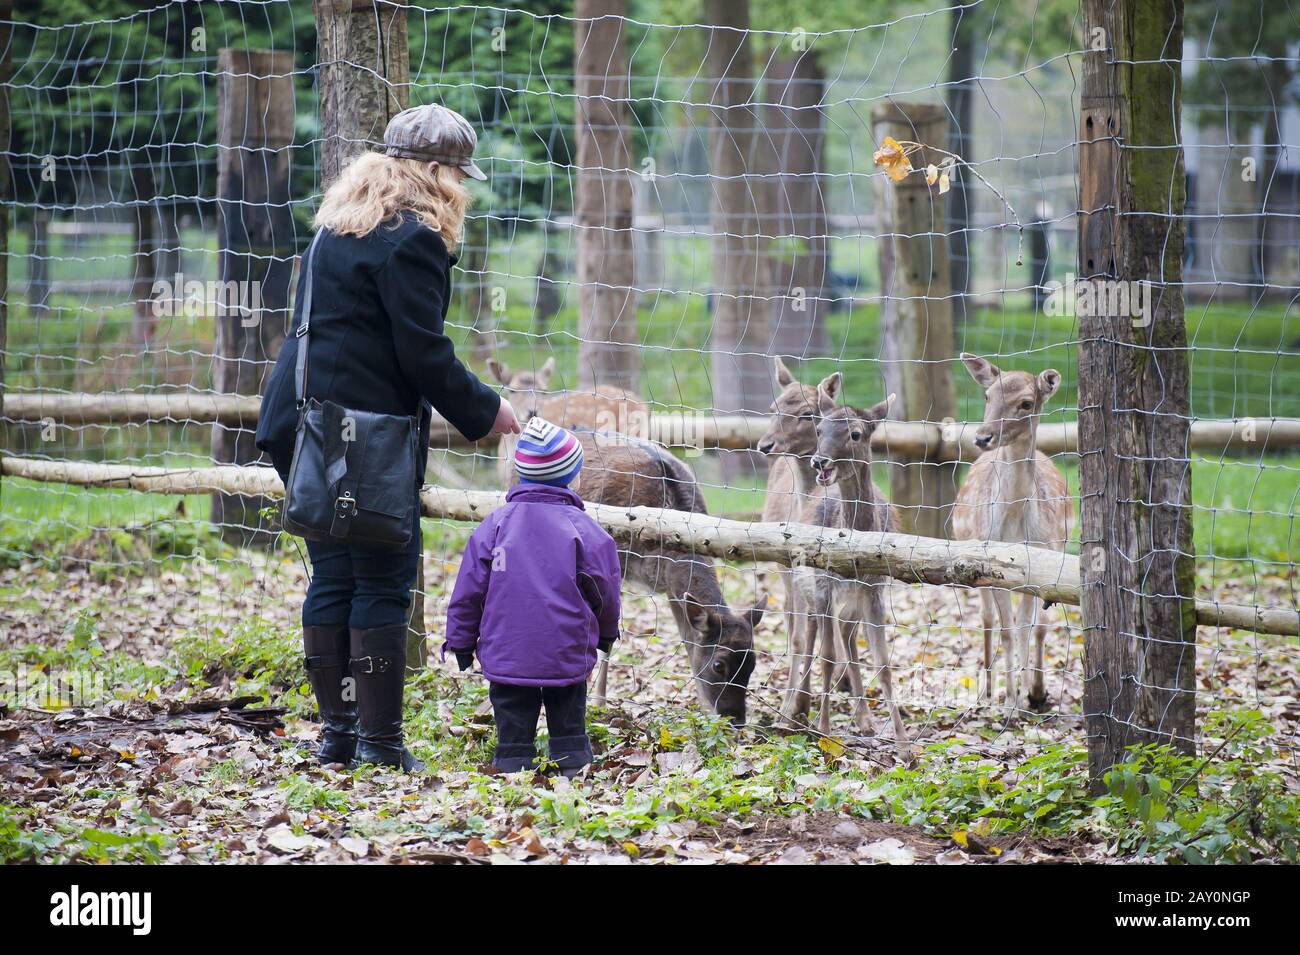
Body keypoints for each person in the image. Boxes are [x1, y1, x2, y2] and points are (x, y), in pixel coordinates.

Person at [255, 104, 520, 771]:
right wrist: (490, 412)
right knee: (381, 575)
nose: (463, 188)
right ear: (435, 172)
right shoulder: (414, 239)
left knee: (333, 574)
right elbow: (423, 355)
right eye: (459, 174)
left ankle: (338, 737)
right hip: (357, 433)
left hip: (300, 418)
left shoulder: (339, 226)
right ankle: (378, 745)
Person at [444, 419, 622, 777]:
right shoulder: (586, 531)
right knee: (568, 711)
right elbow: (605, 589)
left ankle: (512, 761)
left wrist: (461, 643)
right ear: (572, 476)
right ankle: (571, 759)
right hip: (566, 652)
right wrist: (604, 633)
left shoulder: (494, 526)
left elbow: (468, 591)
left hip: (507, 653)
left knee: (512, 714)